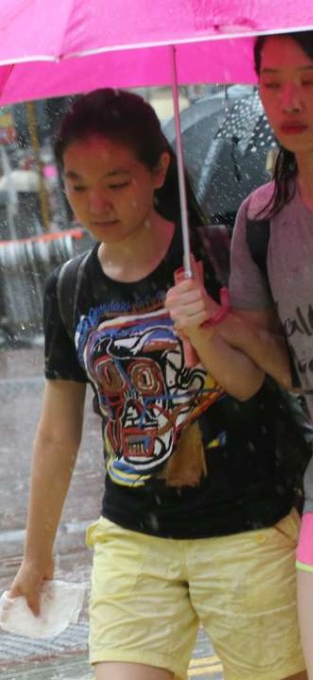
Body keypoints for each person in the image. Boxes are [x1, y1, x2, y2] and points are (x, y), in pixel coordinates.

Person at [8, 88, 305, 680]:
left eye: (117, 183)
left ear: (158, 169)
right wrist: (35, 555)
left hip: (248, 529)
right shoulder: (69, 288)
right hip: (133, 535)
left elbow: (253, 385)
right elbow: (57, 434)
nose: (97, 203)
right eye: (76, 184)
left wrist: (210, 325)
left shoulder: (221, 255)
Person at [167, 30, 313, 671]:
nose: (292, 101)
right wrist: (216, 320)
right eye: (273, 82)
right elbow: (282, 369)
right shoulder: (261, 217)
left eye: (309, 81)